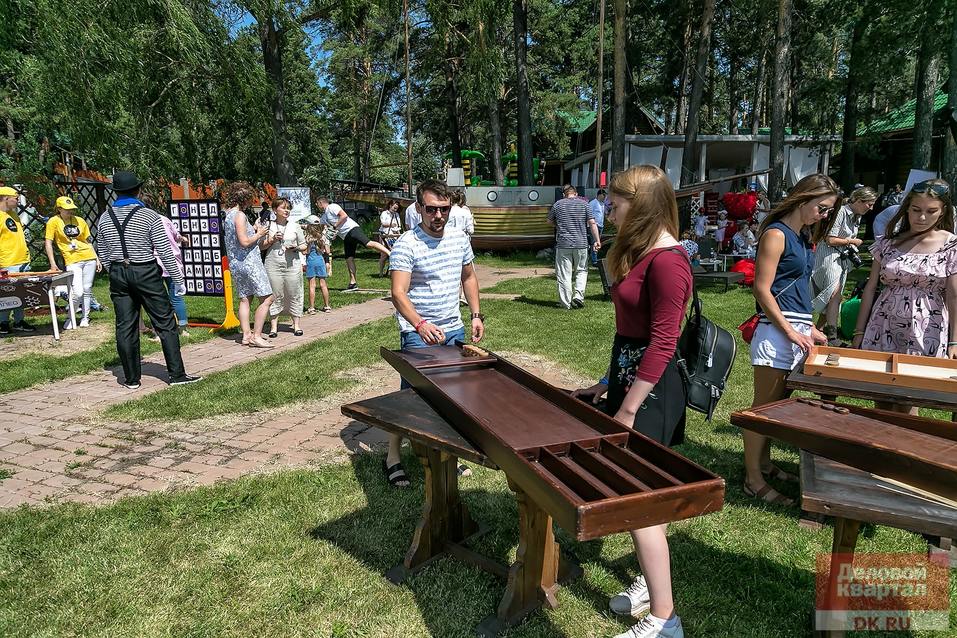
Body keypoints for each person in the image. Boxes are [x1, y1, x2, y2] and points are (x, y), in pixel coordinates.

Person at [572, 165, 692, 638]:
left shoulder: (668, 261)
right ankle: (651, 582)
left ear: (640, 203)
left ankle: (665, 620)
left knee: (638, 497)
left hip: (652, 392)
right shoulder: (644, 254)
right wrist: (608, 383)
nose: (609, 208)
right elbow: (633, 336)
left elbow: (664, 342)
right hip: (632, 382)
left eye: (616, 201)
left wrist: (628, 407)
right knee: (641, 494)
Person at [385, 179, 485, 488]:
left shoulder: (459, 238)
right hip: (418, 333)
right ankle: (392, 456)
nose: (438, 215)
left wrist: (476, 314)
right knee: (411, 397)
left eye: (444, 209)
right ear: (419, 208)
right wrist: (420, 324)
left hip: (453, 328)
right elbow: (398, 293)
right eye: (431, 209)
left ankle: (446, 455)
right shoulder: (406, 243)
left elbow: (468, 277)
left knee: (451, 397)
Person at [745, 174, 837, 505]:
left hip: (794, 330)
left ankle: (765, 463)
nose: (824, 215)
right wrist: (790, 330)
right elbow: (761, 288)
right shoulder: (775, 234)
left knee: (776, 406)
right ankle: (752, 479)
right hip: (776, 332)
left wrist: (808, 328)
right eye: (822, 208)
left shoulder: (801, 236)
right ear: (804, 198)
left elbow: (795, 288)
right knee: (762, 409)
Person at [852, 180, 957, 411]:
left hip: (927, 327)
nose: (921, 218)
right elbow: (870, 288)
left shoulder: (951, 245)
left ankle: (903, 445)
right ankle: (877, 445)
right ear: (907, 208)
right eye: (916, 210)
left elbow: (953, 295)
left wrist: (954, 340)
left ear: (943, 211)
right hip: (883, 323)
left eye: (931, 212)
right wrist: (859, 331)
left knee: (911, 396)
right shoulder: (888, 243)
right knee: (879, 393)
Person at [94, 171, 201, 389]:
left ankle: (132, 379)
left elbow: (102, 249)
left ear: (116, 192)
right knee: (165, 323)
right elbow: (164, 250)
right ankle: (176, 374)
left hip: (118, 272)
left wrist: (112, 268)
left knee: (125, 326)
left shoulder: (105, 217)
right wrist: (178, 279)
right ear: (137, 190)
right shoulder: (149, 216)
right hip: (145, 270)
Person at [810, 186, 876, 344]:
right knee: (832, 295)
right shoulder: (841, 212)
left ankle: (820, 331)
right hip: (828, 256)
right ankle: (828, 334)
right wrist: (852, 241)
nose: (871, 208)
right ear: (859, 201)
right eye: (869, 204)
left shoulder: (857, 216)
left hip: (841, 259)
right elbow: (830, 239)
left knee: (835, 297)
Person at [222, 181, 274, 348]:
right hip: (250, 263)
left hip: (236, 264)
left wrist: (252, 229)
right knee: (267, 298)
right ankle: (257, 336)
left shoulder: (228, 215)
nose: (253, 201)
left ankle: (246, 335)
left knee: (245, 299)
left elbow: (237, 238)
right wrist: (259, 233)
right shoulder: (240, 215)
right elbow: (244, 241)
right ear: (244, 198)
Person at [44, 196, 102, 330]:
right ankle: (71, 317)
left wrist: (96, 258)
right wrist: (52, 263)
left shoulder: (79, 220)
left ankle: (85, 317)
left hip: (88, 257)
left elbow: (87, 241)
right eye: (67, 209)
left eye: (72, 209)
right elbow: (48, 242)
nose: (71, 212)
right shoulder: (53, 221)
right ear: (59, 209)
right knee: (78, 291)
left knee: (87, 289)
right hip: (72, 259)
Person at [318, 196, 391, 290]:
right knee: (349, 258)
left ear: (320, 203)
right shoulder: (324, 217)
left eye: (317, 204)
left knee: (368, 244)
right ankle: (353, 282)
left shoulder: (332, 207)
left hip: (352, 229)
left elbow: (344, 216)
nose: (317, 206)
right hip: (345, 236)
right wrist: (332, 234)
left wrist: (335, 227)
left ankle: (390, 253)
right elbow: (326, 228)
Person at [548, 185, 601, 309]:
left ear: (564, 194)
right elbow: (592, 223)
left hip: (563, 244)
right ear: (576, 194)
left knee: (564, 273)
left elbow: (549, 221)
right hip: (581, 243)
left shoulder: (558, 204)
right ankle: (578, 297)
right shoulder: (585, 204)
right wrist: (597, 240)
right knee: (581, 270)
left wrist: (558, 225)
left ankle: (565, 303)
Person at [263, 197, 307, 338]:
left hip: (292, 264)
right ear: (275, 210)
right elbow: (260, 246)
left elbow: (304, 246)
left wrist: (296, 248)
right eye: (283, 207)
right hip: (273, 264)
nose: (287, 210)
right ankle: (274, 327)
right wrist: (272, 239)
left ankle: (296, 325)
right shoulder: (268, 226)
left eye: (288, 208)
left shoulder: (295, 226)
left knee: (294, 291)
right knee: (275, 293)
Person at [0, 186, 35, 334]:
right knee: (7, 293)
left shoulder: (14, 215)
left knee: (21, 293)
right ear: (6, 198)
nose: (18, 200)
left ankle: (19, 321)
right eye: (16, 198)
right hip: (7, 262)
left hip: (22, 261)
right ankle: (3, 323)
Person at [154, 204, 190, 336]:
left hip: (155, 263)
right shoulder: (165, 219)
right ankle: (183, 328)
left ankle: (160, 331)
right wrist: (183, 238)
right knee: (176, 297)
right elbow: (176, 236)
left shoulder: (144, 220)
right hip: (173, 262)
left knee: (157, 299)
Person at [304, 222, 332, 314]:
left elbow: (306, 252)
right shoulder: (323, 238)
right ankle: (327, 306)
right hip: (320, 262)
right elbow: (327, 251)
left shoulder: (308, 239)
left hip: (311, 262)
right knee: (323, 285)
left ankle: (311, 308)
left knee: (312, 286)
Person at [377, 200, 402, 275]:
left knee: (394, 254)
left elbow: (398, 226)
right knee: (384, 255)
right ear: (390, 205)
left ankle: (392, 272)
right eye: (395, 206)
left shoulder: (396, 215)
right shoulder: (384, 213)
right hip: (385, 235)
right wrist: (391, 225)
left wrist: (399, 236)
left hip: (394, 237)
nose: (396, 208)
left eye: (397, 207)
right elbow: (383, 223)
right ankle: (381, 272)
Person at [588, 189, 607, 265]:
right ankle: (594, 260)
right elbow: (588, 214)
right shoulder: (593, 203)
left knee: (598, 243)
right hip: (593, 226)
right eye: (604, 195)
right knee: (594, 242)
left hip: (600, 226)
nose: (605, 197)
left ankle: (594, 258)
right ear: (599, 195)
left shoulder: (602, 204)